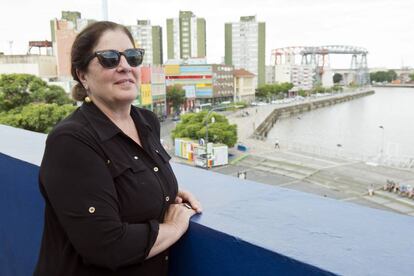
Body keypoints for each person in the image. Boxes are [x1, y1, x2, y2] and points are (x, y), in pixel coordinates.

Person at [34, 21, 202, 276]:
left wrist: (164, 190)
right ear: (82, 75)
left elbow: (122, 181)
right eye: (109, 59)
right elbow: (106, 245)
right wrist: (175, 227)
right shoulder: (71, 141)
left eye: (132, 57)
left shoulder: (147, 122)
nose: (125, 66)